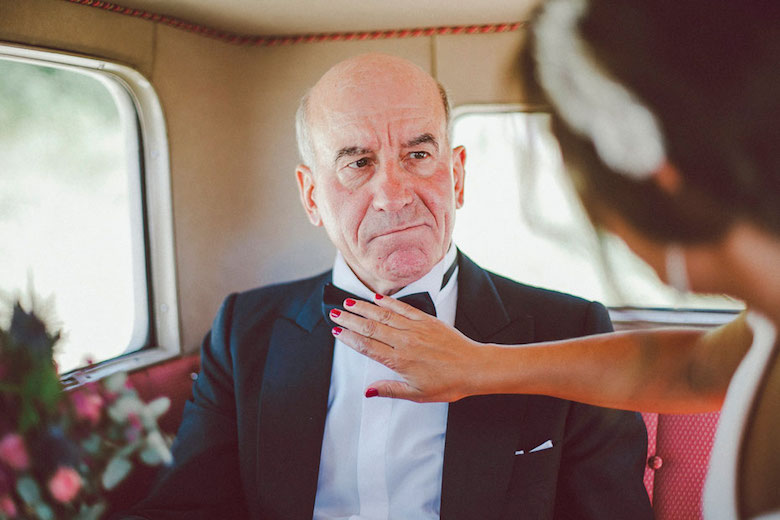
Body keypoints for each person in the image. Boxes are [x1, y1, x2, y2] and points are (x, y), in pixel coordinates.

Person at [118, 53, 653, 519]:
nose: (393, 195)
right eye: (358, 162)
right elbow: (184, 508)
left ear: (457, 176)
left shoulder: (571, 332)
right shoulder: (244, 333)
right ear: (310, 196)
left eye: (418, 156)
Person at [329, 1, 780, 519]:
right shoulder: (768, 325)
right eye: (359, 163)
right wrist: (478, 365)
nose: (394, 194)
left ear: (657, 175)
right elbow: (697, 369)